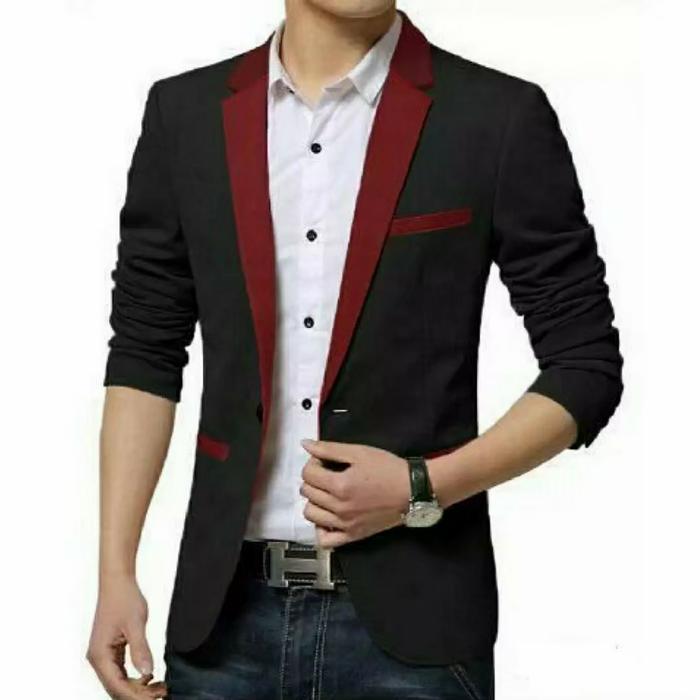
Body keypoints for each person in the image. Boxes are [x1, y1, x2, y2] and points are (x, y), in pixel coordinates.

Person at [86, 2, 623, 698]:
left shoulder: (496, 116)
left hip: (415, 633)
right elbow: (144, 355)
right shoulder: (184, 115)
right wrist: (115, 572)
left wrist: (421, 487)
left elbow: (585, 366)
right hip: (221, 628)